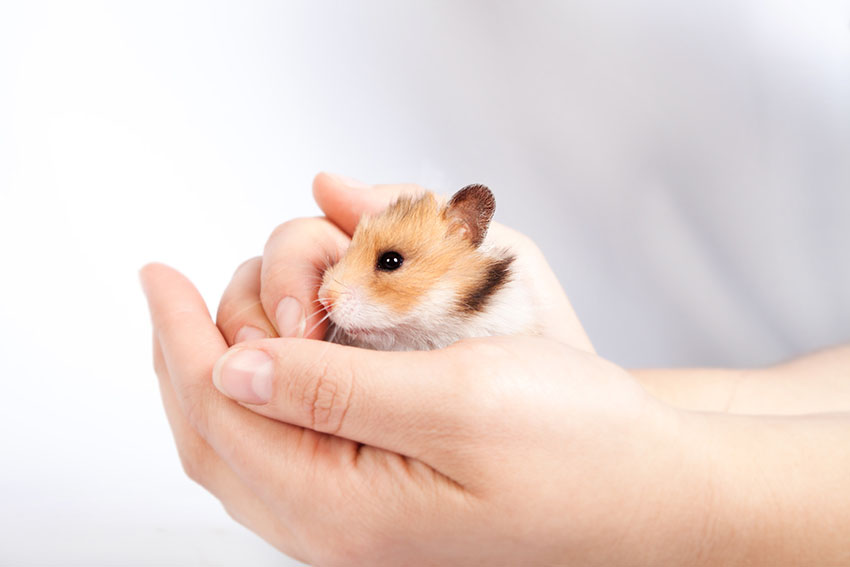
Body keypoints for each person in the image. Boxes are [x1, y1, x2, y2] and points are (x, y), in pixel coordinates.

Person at [141, 173, 850, 565]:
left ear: (466, 233)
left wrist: (662, 499)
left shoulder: (499, 308)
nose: (334, 289)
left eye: (388, 263)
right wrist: (637, 439)